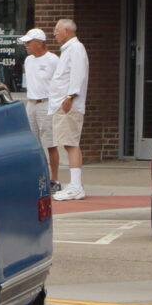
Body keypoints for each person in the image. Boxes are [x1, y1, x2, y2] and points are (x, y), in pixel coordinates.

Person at [51, 18, 90, 200]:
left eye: (57, 30)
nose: (55, 34)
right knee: (68, 143)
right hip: (64, 103)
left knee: (71, 143)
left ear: (66, 30)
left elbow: (78, 75)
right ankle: (74, 184)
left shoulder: (76, 49)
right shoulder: (69, 49)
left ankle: (76, 186)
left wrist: (69, 97)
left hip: (69, 104)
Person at [20, 29, 62, 187]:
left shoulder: (53, 60)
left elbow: (60, 84)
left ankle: (54, 179)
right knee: (33, 144)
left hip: (47, 103)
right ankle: (38, 178)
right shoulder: (28, 60)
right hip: (31, 103)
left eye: (29, 42)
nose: (26, 45)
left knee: (50, 143)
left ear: (39, 43)